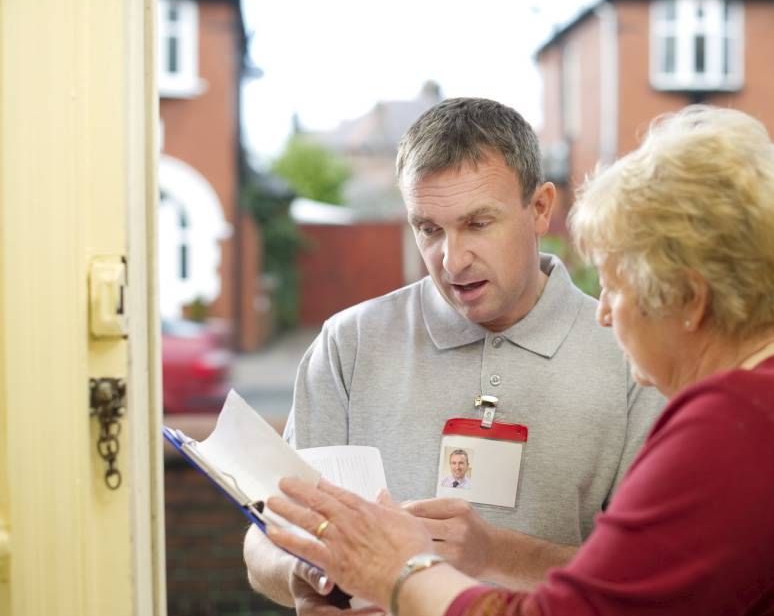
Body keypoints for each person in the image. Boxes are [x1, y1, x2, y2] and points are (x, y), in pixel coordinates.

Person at [265, 105, 774, 616]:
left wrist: (395, 568)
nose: (602, 310)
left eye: (619, 287)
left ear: (687, 298)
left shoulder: (740, 425)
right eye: (429, 228)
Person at [243, 97, 665, 612]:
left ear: (540, 208)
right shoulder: (347, 343)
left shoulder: (632, 356)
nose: (452, 259)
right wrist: (305, 577)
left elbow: (652, 579)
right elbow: (265, 536)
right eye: (429, 229)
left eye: (478, 224)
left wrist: (494, 553)